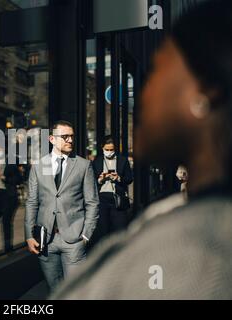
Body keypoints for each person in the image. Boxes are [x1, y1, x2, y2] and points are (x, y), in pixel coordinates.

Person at [52, 0, 232, 299]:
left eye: (159, 69)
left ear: (204, 93)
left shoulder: (192, 254)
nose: (145, 92)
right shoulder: (188, 223)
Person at [25, 120, 99, 292]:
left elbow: (92, 202)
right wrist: (29, 235)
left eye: (71, 136)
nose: (70, 140)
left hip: (74, 238)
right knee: (55, 290)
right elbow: (32, 202)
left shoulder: (83, 165)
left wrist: (86, 235)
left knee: (76, 290)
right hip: (45, 240)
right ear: (52, 139)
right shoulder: (38, 166)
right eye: (65, 137)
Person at [91, 136, 133, 244]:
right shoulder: (96, 162)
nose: (109, 152)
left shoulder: (123, 160)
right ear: (102, 148)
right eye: (107, 150)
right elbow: (90, 181)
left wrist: (118, 178)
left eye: (111, 150)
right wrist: (100, 179)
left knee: (120, 229)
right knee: (103, 230)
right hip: (102, 198)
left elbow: (129, 179)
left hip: (117, 198)